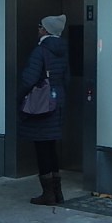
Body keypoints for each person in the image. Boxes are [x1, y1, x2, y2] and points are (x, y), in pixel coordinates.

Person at [18, 14, 69, 205]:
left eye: (40, 26)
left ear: (45, 30)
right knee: (51, 146)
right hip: (57, 102)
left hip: (41, 103)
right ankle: (58, 192)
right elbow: (67, 78)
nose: (38, 29)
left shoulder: (40, 51)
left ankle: (48, 194)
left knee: (42, 148)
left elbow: (29, 79)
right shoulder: (63, 50)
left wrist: (19, 97)